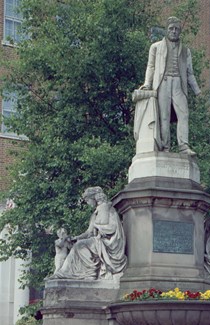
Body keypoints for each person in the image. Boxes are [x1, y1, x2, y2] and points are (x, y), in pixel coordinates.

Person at [141, 16, 201, 155]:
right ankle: (164, 147)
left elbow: (190, 73)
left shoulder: (186, 51)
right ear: (166, 31)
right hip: (163, 83)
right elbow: (151, 66)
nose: (174, 31)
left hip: (179, 84)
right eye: (171, 29)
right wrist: (147, 84)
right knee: (164, 117)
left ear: (179, 31)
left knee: (184, 114)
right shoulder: (155, 47)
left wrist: (197, 90)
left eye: (176, 29)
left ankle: (183, 146)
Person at [51, 187, 127, 280]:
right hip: (100, 240)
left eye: (88, 200)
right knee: (78, 245)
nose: (88, 203)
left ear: (93, 198)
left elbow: (111, 228)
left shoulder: (104, 208)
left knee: (80, 246)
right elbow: (88, 232)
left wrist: (98, 227)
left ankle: (90, 273)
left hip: (107, 242)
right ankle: (66, 272)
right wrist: (76, 237)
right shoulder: (97, 211)